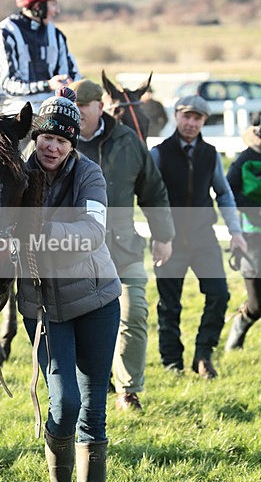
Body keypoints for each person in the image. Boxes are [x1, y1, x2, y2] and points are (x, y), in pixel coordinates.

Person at [17, 95, 121, 482]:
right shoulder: (16, 173)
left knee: (93, 404)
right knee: (63, 401)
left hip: (97, 301)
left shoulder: (89, 173)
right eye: (45, 136)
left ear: (72, 144)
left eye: (60, 139)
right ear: (36, 136)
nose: (51, 147)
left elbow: (93, 231)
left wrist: (38, 231)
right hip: (42, 308)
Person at [73, 79, 175, 412]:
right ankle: (90, 386)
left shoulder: (127, 141)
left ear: (99, 106)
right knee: (81, 324)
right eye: (71, 107)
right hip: (73, 254)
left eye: (82, 107)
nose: (76, 113)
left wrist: (163, 235)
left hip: (123, 249)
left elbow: (153, 189)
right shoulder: (61, 144)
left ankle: (128, 389)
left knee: (134, 314)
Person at [151, 96, 247, 378]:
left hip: (204, 238)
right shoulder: (159, 153)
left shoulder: (211, 154)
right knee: (170, 304)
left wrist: (236, 233)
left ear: (204, 121)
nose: (191, 123)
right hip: (170, 240)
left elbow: (224, 194)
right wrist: (160, 235)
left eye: (198, 118)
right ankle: (172, 363)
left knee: (219, 295)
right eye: (186, 116)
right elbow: (151, 198)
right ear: (177, 116)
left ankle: (203, 355)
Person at [0, 0, 81, 110]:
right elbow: (8, 84)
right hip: (14, 109)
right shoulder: (6, 33)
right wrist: (47, 85)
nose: (57, 11)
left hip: (52, 106)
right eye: (54, 4)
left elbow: (70, 74)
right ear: (38, 7)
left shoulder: (56, 35)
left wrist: (70, 84)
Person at [225, 124, 261, 350]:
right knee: (258, 304)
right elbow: (228, 192)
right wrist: (254, 209)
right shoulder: (245, 160)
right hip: (252, 235)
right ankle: (242, 320)